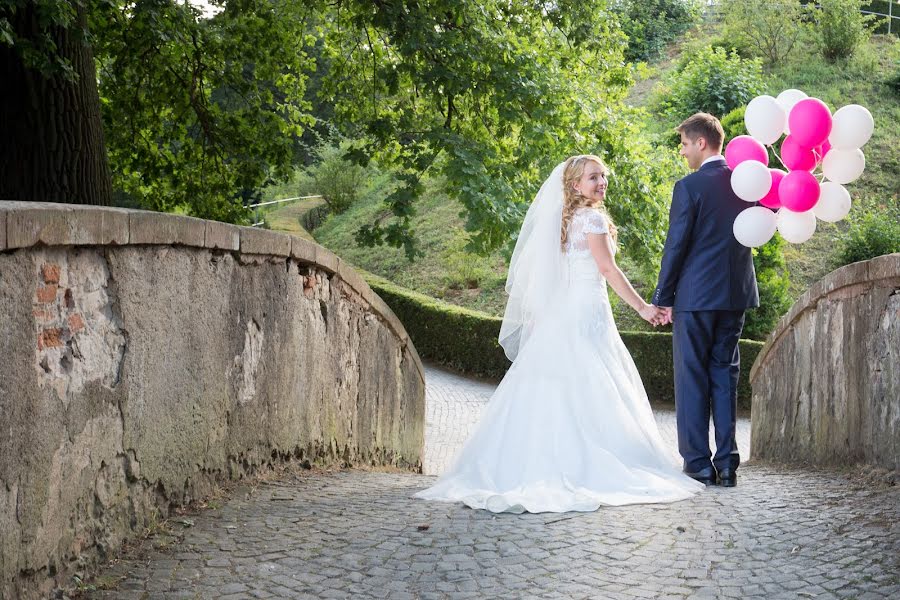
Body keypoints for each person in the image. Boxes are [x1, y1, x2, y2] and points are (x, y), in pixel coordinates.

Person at [414, 155, 704, 514]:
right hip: (585, 311)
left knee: (559, 383)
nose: (602, 182)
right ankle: (582, 462)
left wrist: (540, 317)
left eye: (603, 176)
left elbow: (549, 275)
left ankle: (534, 460)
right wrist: (644, 307)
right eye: (593, 177)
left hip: (564, 310)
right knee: (591, 380)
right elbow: (608, 269)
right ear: (574, 185)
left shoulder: (561, 222)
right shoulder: (593, 219)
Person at [651, 113, 759, 488]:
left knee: (692, 377)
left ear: (701, 143)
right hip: (734, 296)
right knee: (725, 377)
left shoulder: (689, 187)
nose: (682, 152)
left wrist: (662, 296)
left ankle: (697, 463)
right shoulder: (749, 183)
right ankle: (728, 464)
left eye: (683, 143)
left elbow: (676, 245)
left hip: (696, 298)